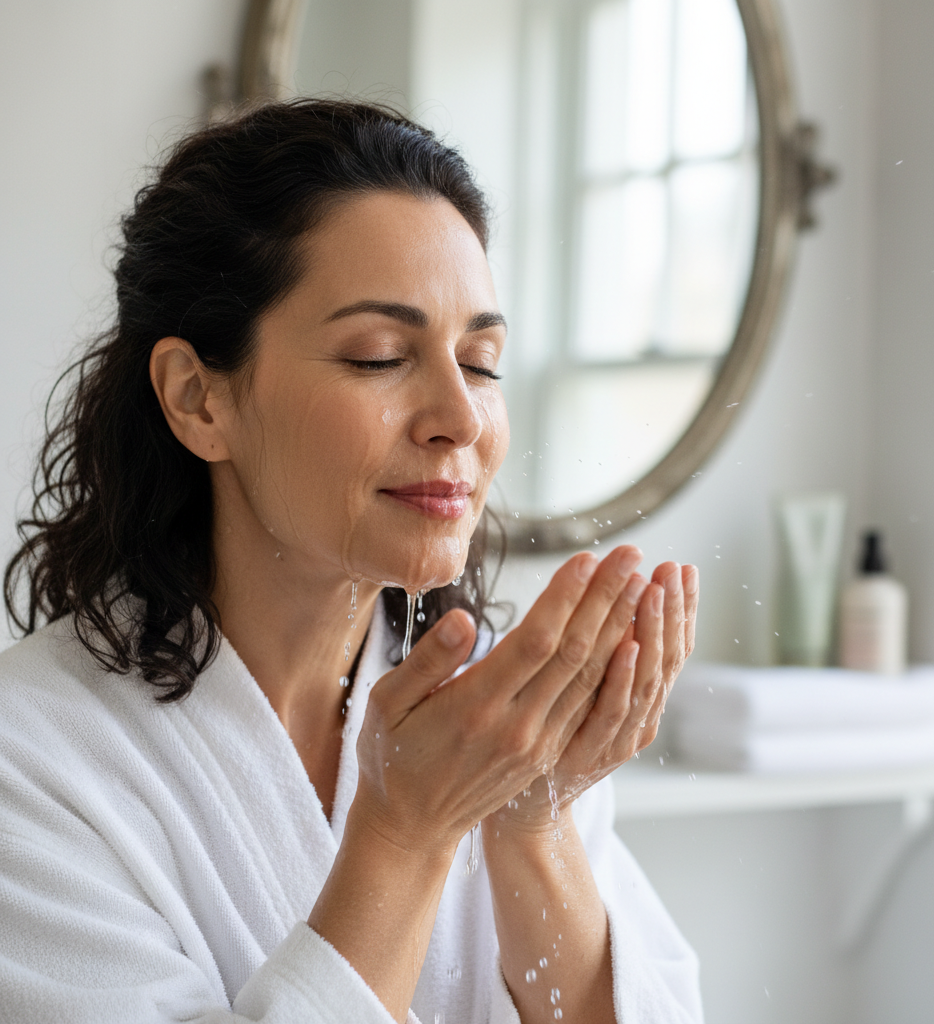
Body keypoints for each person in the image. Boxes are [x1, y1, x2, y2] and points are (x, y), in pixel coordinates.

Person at [0, 99, 702, 1024]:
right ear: (197, 399)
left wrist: (533, 822)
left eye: (481, 361)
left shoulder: (500, 715)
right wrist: (402, 835)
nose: (460, 415)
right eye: (379, 356)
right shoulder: (36, 759)